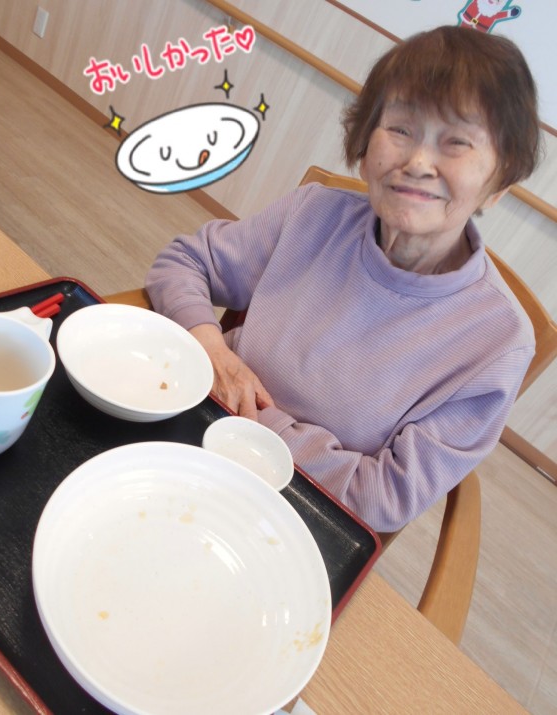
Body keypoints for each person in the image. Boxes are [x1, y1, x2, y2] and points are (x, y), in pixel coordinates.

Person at [145, 26, 541, 533]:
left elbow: (381, 498)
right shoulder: (315, 213)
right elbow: (184, 262)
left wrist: (251, 416)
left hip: (296, 516)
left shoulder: (498, 342)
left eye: (457, 142)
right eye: (400, 129)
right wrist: (211, 349)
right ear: (365, 142)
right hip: (191, 425)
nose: (418, 162)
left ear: (499, 183)